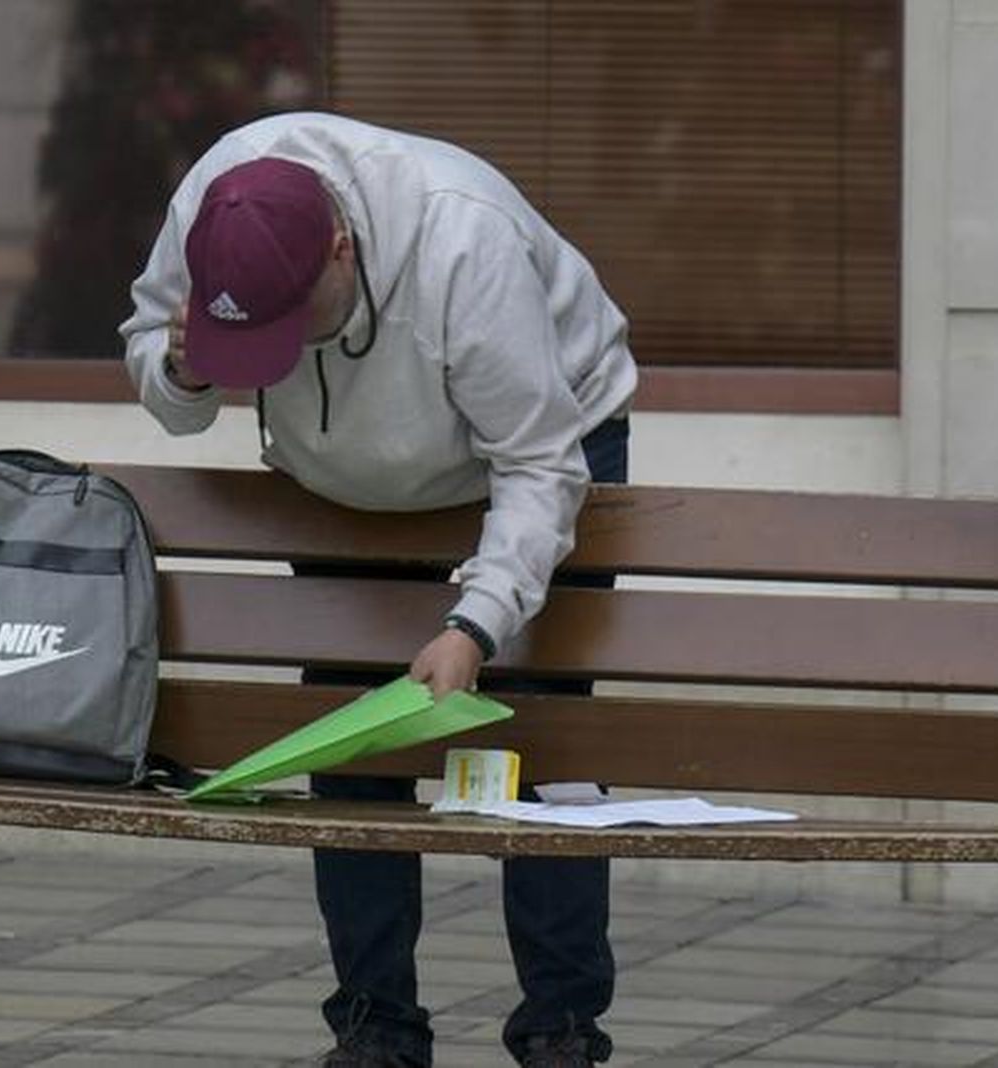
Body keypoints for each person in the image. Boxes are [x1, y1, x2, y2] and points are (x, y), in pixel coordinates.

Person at [121, 112, 636, 1067]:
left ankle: (562, 1030)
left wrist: (476, 623)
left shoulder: (461, 244)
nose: (278, 348)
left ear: (343, 248)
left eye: (293, 323)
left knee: (548, 737)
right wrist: (180, 366)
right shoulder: (214, 201)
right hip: (340, 474)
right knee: (352, 736)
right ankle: (376, 1030)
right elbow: (155, 352)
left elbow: (537, 465)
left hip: (534, 444)